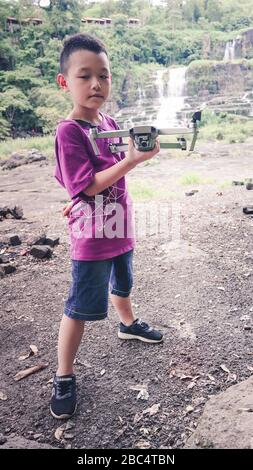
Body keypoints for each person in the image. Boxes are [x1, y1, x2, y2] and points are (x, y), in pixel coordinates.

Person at [51, 33, 163, 420]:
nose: (96, 84)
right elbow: (87, 182)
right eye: (85, 76)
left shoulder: (110, 122)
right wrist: (132, 161)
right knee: (80, 307)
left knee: (124, 282)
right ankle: (64, 375)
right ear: (64, 81)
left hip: (120, 225)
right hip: (91, 239)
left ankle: (128, 325)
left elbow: (88, 178)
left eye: (104, 75)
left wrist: (135, 153)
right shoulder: (69, 131)